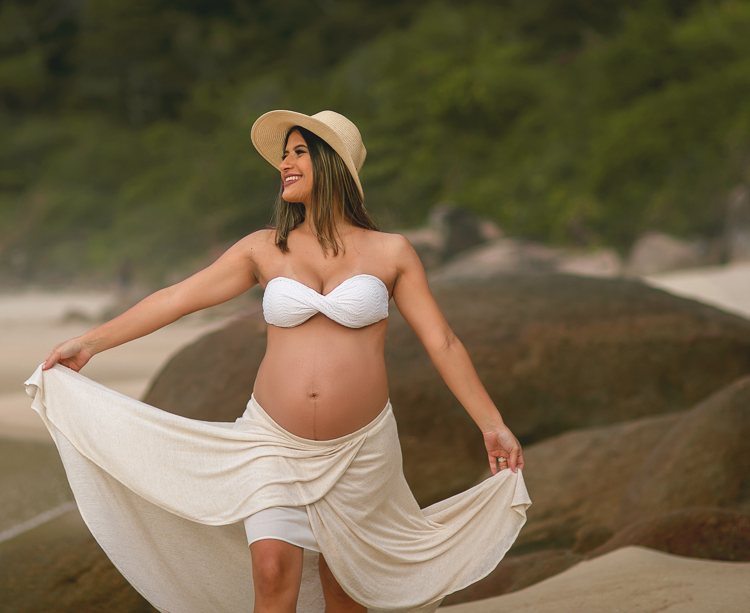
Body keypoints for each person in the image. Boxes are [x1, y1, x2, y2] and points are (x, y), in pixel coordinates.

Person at [29, 109, 530, 613]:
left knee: (348, 594)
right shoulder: (264, 249)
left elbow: (441, 341)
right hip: (271, 443)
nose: (285, 164)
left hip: (361, 451)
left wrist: (492, 424)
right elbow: (176, 298)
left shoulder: (392, 252)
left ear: (333, 164)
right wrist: (92, 342)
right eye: (284, 155)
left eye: (298, 152)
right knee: (271, 573)